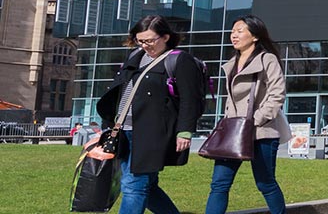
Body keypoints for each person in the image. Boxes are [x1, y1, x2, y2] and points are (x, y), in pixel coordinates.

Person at [95, 15, 206, 214]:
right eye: (140, 40)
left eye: (150, 40)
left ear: (165, 37)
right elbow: (119, 91)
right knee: (147, 186)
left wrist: (185, 131)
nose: (146, 45)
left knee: (133, 186)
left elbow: (191, 99)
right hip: (123, 130)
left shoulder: (179, 60)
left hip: (151, 133)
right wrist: (107, 124)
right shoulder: (135, 57)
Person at [206, 15, 292, 214]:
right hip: (233, 131)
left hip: (260, 131)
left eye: (240, 31)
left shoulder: (266, 59)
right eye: (233, 31)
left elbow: (277, 93)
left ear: (254, 36)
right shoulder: (231, 62)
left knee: (265, 183)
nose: (234, 35)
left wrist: (257, 119)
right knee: (219, 184)